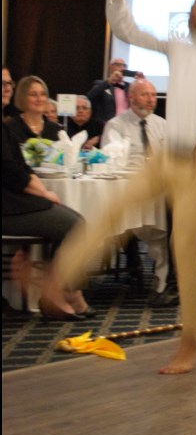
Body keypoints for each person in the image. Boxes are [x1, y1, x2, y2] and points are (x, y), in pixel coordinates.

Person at [48, 0, 196, 375]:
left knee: (187, 247)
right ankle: (60, 279)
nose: (192, 6)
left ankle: (191, 341)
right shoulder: (181, 44)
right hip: (170, 155)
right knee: (115, 206)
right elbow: (130, 31)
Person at [2, 74, 91, 321]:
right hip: (8, 207)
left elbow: (19, 168)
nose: (6, 88)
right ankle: (61, 293)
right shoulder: (10, 126)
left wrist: (41, 191)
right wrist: (42, 193)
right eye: (2, 84)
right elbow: (11, 173)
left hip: (15, 201)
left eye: (8, 83)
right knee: (74, 225)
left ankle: (62, 289)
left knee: (73, 220)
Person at [102, 78, 176, 306]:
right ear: (131, 97)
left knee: (167, 225)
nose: (151, 99)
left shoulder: (162, 125)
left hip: (158, 189)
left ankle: (162, 283)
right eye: (145, 94)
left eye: (153, 95)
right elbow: (109, 160)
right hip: (127, 189)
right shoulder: (116, 125)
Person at [7, 76, 62, 144]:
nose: (39, 99)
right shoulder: (10, 129)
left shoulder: (56, 130)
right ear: (22, 98)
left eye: (43, 94)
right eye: (33, 94)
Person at [87, 57, 132, 123]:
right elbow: (90, 96)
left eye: (124, 66)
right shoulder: (101, 84)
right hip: (108, 124)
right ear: (110, 67)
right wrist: (109, 81)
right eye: (118, 65)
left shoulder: (129, 86)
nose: (122, 68)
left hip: (126, 124)